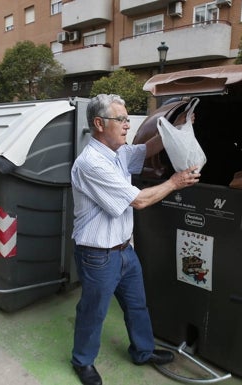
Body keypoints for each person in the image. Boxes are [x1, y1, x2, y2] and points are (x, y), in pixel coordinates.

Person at [70, 94, 201, 385]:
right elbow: (139, 201)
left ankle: (142, 351)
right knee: (94, 312)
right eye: (122, 119)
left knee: (137, 305)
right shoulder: (91, 163)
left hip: (124, 251)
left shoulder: (119, 154)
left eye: (128, 119)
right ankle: (82, 361)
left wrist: (177, 127)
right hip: (97, 254)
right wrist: (174, 182)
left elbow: (151, 146)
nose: (128, 124)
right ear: (99, 123)